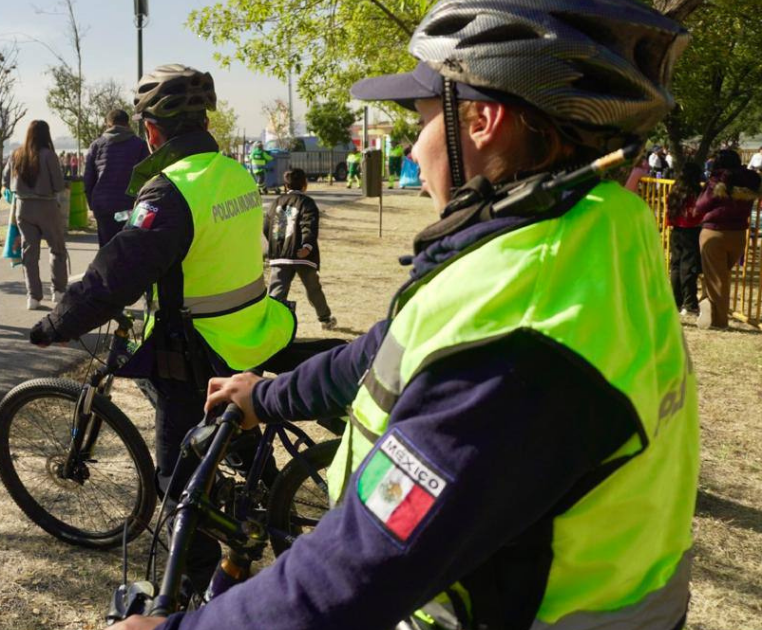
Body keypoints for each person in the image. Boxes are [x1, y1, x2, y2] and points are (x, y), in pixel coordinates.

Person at [111, 2, 697, 630]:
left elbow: (360, 571)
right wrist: (266, 396)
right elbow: (386, 348)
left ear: (482, 120)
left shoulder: (520, 344)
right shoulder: (582, 232)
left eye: (420, 120)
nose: (414, 149)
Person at [32, 64, 297, 596]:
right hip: (252, 329)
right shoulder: (234, 172)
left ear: (151, 131)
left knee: (177, 480)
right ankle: (263, 484)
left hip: (200, 351)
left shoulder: (169, 191)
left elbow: (117, 272)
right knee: (224, 431)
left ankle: (193, 586)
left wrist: (59, 322)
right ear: (205, 122)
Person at [5, 120, 69, 309]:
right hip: (46, 206)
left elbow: (7, 181)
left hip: (23, 207)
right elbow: (58, 185)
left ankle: (33, 296)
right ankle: (58, 291)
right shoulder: (49, 155)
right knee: (57, 249)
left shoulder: (16, 154)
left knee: (29, 253)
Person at [265, 168, 336, 330]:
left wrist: (276, 244)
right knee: (313, 289)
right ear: (305, 184)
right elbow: (308, 225)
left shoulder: (276, 203)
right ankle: (325, 319)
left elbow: (267, 227)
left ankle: (270, 323)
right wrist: (307, 246)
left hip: (280, 255)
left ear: (285, 186)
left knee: (276, 291)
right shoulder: (307, 203)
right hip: (303, 256)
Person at [695, 149, 758, 330]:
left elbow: (701, 205)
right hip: (738, 234)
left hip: (714, 232)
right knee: (721, 275)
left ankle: (718, 321)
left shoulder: (717, 180)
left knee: (716, 278)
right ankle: (707, 302)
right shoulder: (751, 180)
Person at [83, 109, 152, 247]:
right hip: (130, 206)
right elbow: (148, 177)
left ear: (108, 124)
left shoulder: (96, 145)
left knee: (106, 248)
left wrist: (93, 204)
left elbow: (88, 179)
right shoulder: (140, 145)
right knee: (130, 246)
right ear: (128, 124)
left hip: (103, 207)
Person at [666, 163, 704, 316]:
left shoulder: (675, 189)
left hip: (676, 230)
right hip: (692, 231)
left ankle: (676, 301)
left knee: (676, 266)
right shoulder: (697, 192)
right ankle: (690, 304)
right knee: (688, 268)